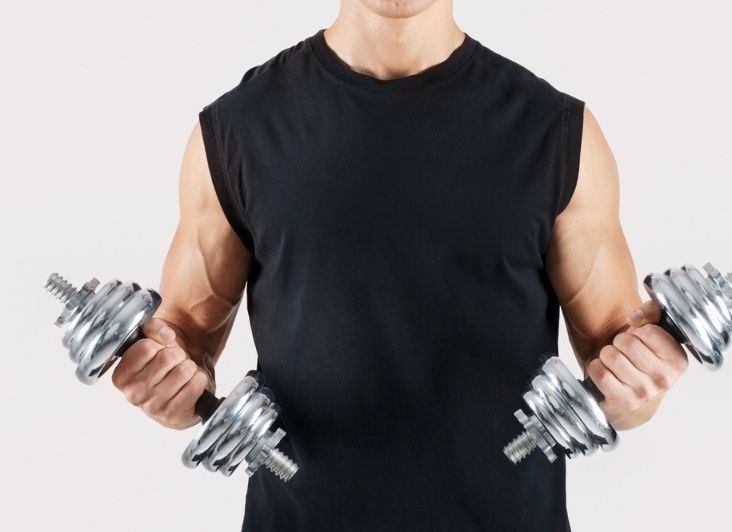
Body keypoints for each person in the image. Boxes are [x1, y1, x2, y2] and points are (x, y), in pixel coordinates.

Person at [110, 1, 689, 530]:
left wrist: (640, 385)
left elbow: (619, 370)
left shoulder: (558, 134)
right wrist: (166, 389)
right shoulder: (235, 132)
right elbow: (182, 350)